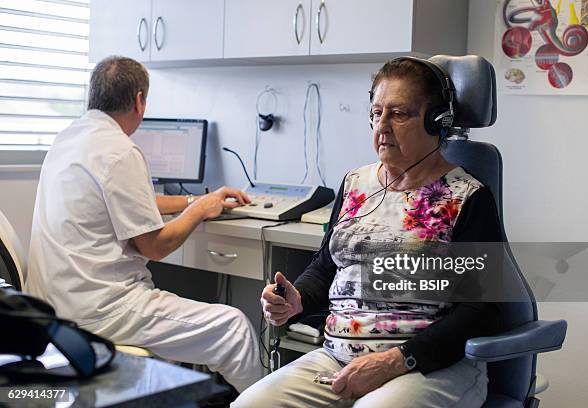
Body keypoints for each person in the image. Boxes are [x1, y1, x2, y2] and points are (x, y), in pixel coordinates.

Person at [233, 57, 503, 407]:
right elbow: (326, 265)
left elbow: (482, 310)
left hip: (426, 366)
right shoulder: (355, 184)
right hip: (337, 359)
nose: (382, 127)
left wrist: (394, 360)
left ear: (437, 122)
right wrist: (296, 298)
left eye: (399, 114)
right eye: (376, 113)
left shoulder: (468, 197)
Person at [25, 56, 261, 392]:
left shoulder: (69, 138)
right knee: (233, 328)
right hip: (101, 309)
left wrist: (195, 202)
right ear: (139, 100)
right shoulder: (120, 150)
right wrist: (198, 211)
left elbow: (131, 202)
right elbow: (154, 246)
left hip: (54, 304)